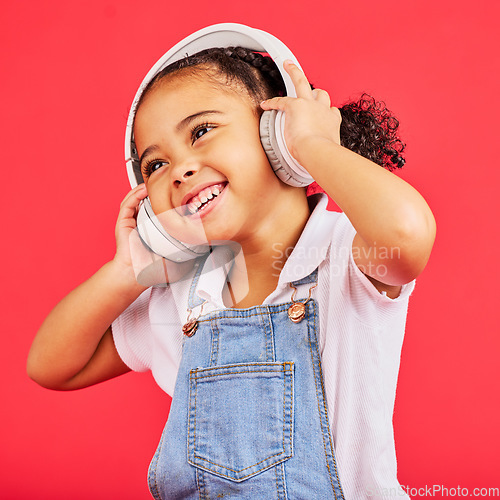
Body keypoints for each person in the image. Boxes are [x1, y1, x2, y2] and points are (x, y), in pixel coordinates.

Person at [28, 28, 436, 499]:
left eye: (201, 132)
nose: (178, 169)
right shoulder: (184, 297)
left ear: (276, 136)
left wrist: (313, 144)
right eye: (154, 165)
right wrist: (127, 272)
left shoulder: (347, 260)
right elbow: (51, 365)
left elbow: (405, 233)